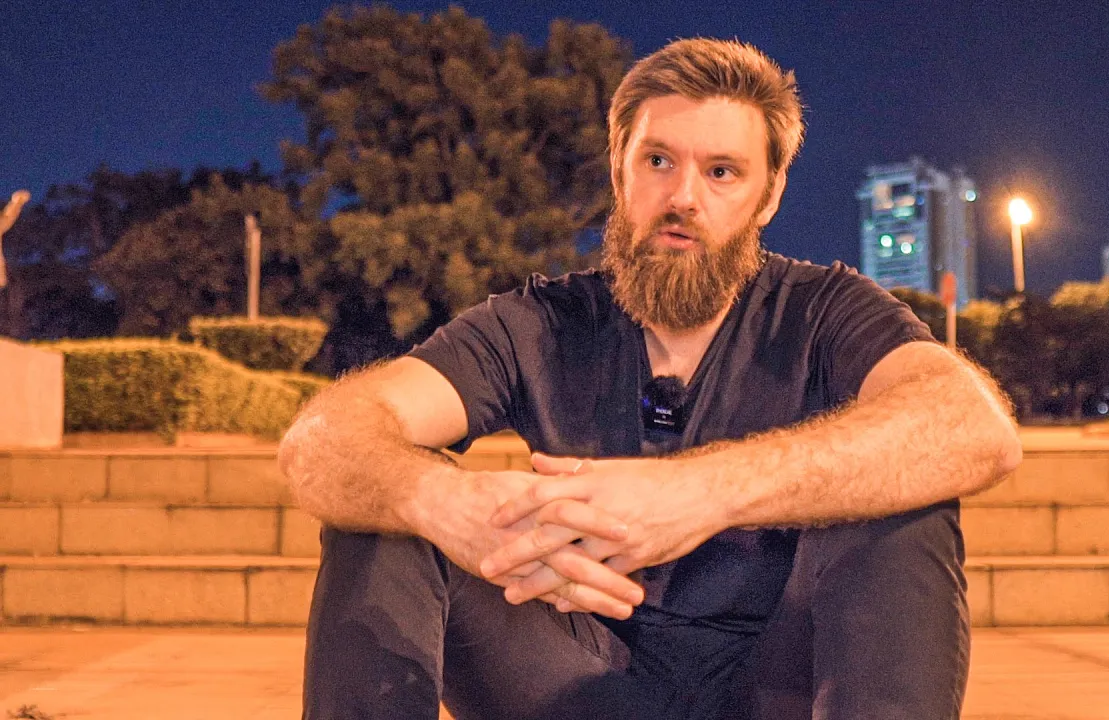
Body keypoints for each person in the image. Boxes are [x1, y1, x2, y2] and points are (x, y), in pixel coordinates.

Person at [280, 37, 1021, 720]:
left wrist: (697, 492)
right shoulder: (537, 322)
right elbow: (323, 440)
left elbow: (972, 426)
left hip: (776, 687)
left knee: (907, 501)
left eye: (722, 172)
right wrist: (443, 502)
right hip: (578, 683)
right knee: (385, 507)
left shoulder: (826, 309)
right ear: (619, 170)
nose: (683, 198)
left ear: (768, 196)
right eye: (658, 161)